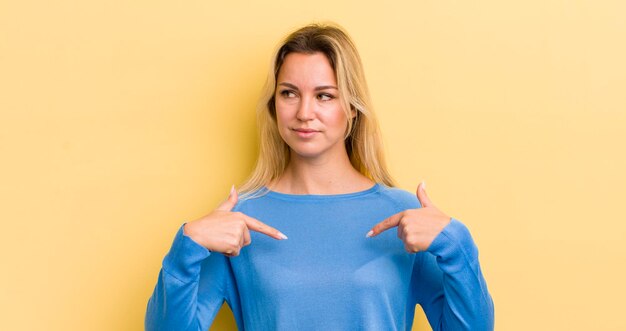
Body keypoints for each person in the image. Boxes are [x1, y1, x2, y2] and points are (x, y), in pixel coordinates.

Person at [145, 22, 494, 331]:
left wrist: (457, 244)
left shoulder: (405, 217)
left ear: (352, 109)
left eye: (324, 95)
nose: (304, 112)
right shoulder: (237, 225)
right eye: (289, 93)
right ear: (274, 105)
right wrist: (185, 249)